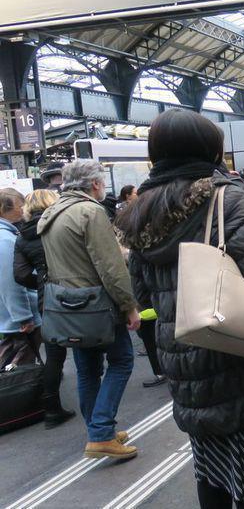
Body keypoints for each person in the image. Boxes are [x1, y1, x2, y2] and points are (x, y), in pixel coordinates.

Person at [116, 110, 244, 509]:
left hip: (184, 358)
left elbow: (140, 292)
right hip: (238, 353)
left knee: (209, 467)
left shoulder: (139, 208)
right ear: (211, 149)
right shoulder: (225, 196)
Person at [38, 160, 140, 459]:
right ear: (95, 184)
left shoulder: (51, 212)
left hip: (67, 306)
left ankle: (100, 430)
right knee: (121, 362)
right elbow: (110, 268)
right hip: (97, 304)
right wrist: (129, 305)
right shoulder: (91, 212)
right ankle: (100, 433)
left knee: (87, 371)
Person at [12, 188, 76, 427]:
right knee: (88, 344)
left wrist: (40, 281)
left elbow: (20, 274)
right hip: (75, 289)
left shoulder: (22, 236)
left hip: (46, 299)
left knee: (55, 353)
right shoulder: (60, 225)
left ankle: (51, 408)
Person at [0, 188, 41, 367]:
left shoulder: (7, 235)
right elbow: (10, 281)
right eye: (20, 205)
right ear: (5, 209)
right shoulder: (4, 239)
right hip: (17, 318)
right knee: (21, 370)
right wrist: (23, 316)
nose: (24, 209)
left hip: (11, 315)